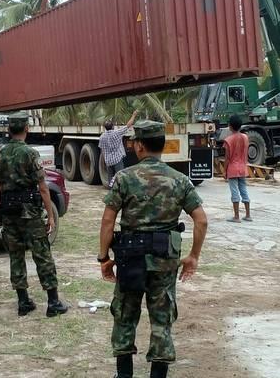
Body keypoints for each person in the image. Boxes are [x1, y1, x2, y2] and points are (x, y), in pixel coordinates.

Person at [98, 120, 208, 378]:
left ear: (138, 146)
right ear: (162, 146)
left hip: (130, 260)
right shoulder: (179, 180)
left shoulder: (124, 177)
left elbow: (107, 220)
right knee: (162, 319)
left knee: (125, 314)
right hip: (164, 261)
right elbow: (201, 219)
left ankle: (124, 374)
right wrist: (193, 256)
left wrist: (104, 258)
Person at [0, 112, 68, 318]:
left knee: (16, 255)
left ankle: (23, 301)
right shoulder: (30, 154)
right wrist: (50, 216)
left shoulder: (0, 154)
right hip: (29, 212)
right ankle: (53, 302)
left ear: (9, 130)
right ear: (26, 128)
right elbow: (43, 188)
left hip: (9, 212)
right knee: (42, 255)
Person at [223, 115, 252, 222]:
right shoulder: (245, 137)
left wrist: (224, 171)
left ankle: (236, 216)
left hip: (232, 168)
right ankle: (248, 215)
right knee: (244, 190)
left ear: (230, 126)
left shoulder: (228, 140)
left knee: (234, 192)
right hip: (242, 167)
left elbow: (227, 158)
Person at [99, 110, 139, 183]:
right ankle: (120, 190)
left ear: (105, 128)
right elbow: (128, 125)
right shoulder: (117, 133)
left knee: (110, 178)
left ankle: (112, 190)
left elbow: (102, 149)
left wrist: (105, 159)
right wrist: (134, 115)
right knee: (120, 177)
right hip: (117, 160)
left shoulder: (102, 137)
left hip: (108, 161)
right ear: (113, 127)